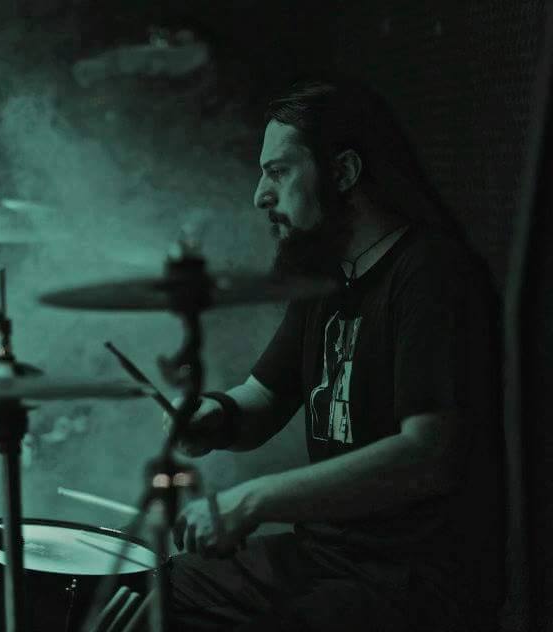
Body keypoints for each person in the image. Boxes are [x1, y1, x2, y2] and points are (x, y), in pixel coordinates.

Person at [167, 79, 505, 632]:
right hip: (326, 558)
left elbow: (428, 455)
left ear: (344, 172)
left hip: (411, 581)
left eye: (278, 172)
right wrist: (214, 416)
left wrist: (252, 501)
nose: (260, 195)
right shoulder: (326, 278)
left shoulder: (432, 274)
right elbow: (262, 399)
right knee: (153, 592)